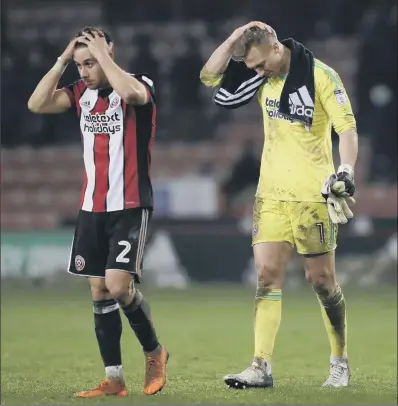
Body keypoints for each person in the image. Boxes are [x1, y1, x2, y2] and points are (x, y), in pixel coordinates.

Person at [200, 21, 358, 389]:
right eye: (251, 67)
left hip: (312, 195)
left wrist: (346, 170)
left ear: (275, 48)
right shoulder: (261, 77)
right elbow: (209, 76)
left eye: (259, 65)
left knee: (321, 281)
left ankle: (339, 361)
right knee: (267, 275)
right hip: (270, 193)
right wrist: (234, 37)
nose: (255, 73)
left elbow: (346, 129)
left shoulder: (320, 75)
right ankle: (260, 366)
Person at [28, 26, 168, 398]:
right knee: (98, 290)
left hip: (131, 204)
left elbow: (132, 93)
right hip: (92, 206)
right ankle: (115, 379)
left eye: (89, 63)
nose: (85, 72)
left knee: (119, 287)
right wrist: (61, 60)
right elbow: (36, 103)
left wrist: (103, 56)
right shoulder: (79, 94)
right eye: (80, 65)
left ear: (109, 54)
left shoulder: (138, 84)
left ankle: (155, 352)